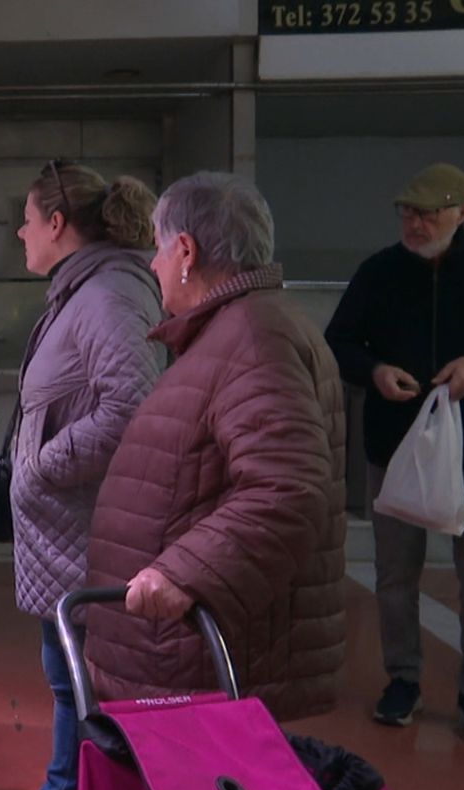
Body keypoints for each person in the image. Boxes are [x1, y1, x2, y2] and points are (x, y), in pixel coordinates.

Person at [83, 171, 347, 724]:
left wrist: (184, 572)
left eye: (157, 249)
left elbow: (288, 488)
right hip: (191, 646)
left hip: (207, 650)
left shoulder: (252, 338)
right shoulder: (241, 327)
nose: (152, 265)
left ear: (185, 251)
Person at [0, 161, 164, 790]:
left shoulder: (111, 293)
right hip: (65, 529)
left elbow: (130, 408)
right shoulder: (82, 288)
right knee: (66, 676)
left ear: (57, 224)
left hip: (93, 523)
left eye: (27, 218)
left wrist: (45, 465)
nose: (19, 232)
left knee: (97, 680)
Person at [323, 163, 464, 746]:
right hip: (395, 450)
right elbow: (339, 343)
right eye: (407, 212)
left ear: (462, 213)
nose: (415, 223)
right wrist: (374, 371)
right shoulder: (378, 273)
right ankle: (403, 678)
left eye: (427, 213)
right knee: (396, 574)